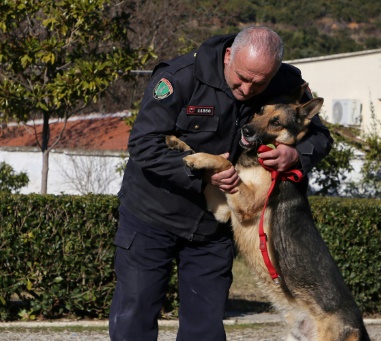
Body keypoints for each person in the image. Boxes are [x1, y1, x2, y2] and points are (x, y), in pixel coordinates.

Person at [109, 26, 333, 341]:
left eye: (260, 83)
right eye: (242, 77)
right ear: (229, 56)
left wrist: (296, 155)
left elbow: (321, 137)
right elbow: (144, 145)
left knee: (206, 331)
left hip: (213, 230)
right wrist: (200, 172)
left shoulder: (288, 83)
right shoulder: (179, 77)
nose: (248, 89)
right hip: (152, 216)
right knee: (134, 319)